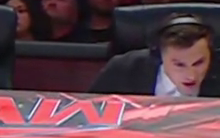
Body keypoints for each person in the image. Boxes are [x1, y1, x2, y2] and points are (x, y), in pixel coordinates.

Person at [89, 15, 219, 97]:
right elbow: (90, 113)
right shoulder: (124, 69)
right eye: (179, 65)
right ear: (159, 56)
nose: (191, 76)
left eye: (199, 63)